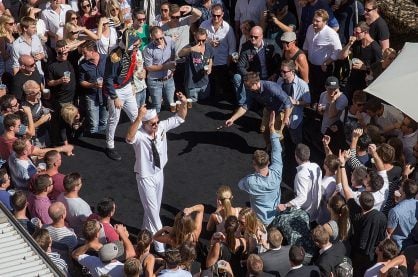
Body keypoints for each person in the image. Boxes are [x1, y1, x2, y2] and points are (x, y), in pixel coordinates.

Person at [125, 92, 188, 253]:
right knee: (154, 215)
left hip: (159, 173)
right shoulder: (139, 136)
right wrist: (139, 117)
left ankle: (143, 235)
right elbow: (129, 137)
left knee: (153, 209)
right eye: (152, 123)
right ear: (145, 124)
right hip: (145, 177)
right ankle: (162, 249)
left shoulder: (160, 128)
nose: (156, 125)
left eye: (157, 122)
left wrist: (183, 102)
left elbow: (180, 117)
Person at [338, 150, 387, 276]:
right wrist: (375, 153)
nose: (365, 176)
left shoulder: (357, 200)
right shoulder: (384, 189)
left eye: (366, 178)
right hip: (372, 247)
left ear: (368, 186)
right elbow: (382, 170)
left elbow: (344, 188)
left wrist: (342, 165)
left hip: (358, 248)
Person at [238, 111, 284, 225]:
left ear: (254, 164)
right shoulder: (277, 172)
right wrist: (272, 128)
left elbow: (240, 185)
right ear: (268, 162)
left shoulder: (250, 181)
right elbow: (277, 151)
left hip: (260, 221)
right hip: (275, 216)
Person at [226, 72, 292, 145]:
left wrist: (286, 117)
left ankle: (280, 152)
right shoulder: (251, 90)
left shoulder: (270, 87)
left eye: (248, 86)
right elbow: (245, 106)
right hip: (269, 109)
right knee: (263, 130)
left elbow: (287, 101)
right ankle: (269, 148)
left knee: (276, 134)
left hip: (282, 110)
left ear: (256, 83)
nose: (247, 88)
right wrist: (232, 119)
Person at [104, 30, 141, 161]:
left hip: (126, 88)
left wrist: (131, 83)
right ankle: (110, 146)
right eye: (135, 45)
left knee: (136, 116)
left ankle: (137, 137)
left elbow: (129, 70)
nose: (138, 47)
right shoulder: (115, 57)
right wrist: (115, 97)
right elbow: (108, 79)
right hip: (116, 91)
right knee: (114, 119)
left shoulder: (132, 53)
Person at [234, 26, 281, 106]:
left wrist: (275, 74)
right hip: (254, 76)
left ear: (262, 36)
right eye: (251, 36)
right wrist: (250, 76)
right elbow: (240, 65)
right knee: (237, 77)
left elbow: (280, 62)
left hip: (270, 76)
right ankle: (244, 103)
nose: (252, 39)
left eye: (255, 37)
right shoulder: (246, 46)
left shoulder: (272, 44)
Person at [303, 9, 342, 103]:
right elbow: (306, 44)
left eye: (318, 21)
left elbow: (338, 51)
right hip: (310, 65)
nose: (314, 23)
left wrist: (326, 63)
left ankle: (321, 108)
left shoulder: (331, 34)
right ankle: (312, 104)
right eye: (314, 20)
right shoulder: (310, 28)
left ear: (325, 22)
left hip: (323, 68)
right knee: (311, 86)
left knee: (322, 90)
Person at [161, 4, 202, 91]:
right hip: (172, 61)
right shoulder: (163, 28)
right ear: (169, 15)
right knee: (174, 86)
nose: (176, 19)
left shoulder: (185, 21)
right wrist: (170, 41)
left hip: (185, 59)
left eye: (178, 17)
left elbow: (199, 14)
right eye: (173, 17)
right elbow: (161, 46)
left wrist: (191, 8)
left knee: (186, 85)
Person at [278, 143, 322, 223]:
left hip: (307, 213)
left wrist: (285, 205)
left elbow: (302, 198)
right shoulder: (316, 166)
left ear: (296, 157)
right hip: (316, 209)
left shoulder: (301, 175)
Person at [200, 4, 236, 98]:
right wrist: (208, 42)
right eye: (213, 15)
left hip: (222, 62)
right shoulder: (204, 25)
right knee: (208, 90)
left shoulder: (228, 28)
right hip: (207, 61)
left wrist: (228, 63)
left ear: (223, 14)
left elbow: (232, 47)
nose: (216, 17)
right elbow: (197, 40)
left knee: (222, 90)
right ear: (211, 14)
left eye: (218, 15)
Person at [340, 21, 382, 95]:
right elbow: (342, 56)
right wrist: (349, 44)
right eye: (354, 32)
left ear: (365, 32)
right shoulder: (357, 42)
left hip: (366, 82)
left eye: (357, 33)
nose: (355, 35)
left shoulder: (375, 47)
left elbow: (379, 67)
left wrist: (365, 67)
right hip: (353, 79)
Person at [46, 40, 76, 145]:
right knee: (62, 123)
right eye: (60, 53)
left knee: (70, 121)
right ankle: (65, 144)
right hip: (62, 100)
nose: (63, 55)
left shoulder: (70, 58)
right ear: (56, 51)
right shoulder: (52, 65)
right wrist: (59, 81)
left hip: (73, 98)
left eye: (65, 52)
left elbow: (86, 40)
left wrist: (69, 47)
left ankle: (69, 139)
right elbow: (49, 83)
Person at [276, 59, 310, 144]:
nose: (282, 73)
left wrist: (296, 102)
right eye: (281, 71)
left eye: (284, 71)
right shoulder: (280, 81)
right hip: (280, 114)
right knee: (280, 138)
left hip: (294, 117)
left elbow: (308, 103)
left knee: (296, 140)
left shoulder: (302, 85)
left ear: (292, 71)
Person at [143, 26, 176, 113]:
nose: (160, 41)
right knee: (157, 107)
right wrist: (166, 66)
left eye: (161, 38)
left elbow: (173, 53)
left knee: (170, 103)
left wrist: (172, 67)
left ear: (163, 34)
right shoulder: (147, 49)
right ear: (152, 37)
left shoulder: (169, 40)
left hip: (169, 79)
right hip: (155, 81)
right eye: (156, 39)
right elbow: (149, 67)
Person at [79, 40, 108, 135]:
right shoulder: (83, 64)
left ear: (93, 51)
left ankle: (102, 141)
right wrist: (92, 85)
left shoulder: (106, 59)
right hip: (91, 96)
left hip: (105, 95)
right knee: (94, 124)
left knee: (104, 121)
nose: (83, 55)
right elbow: (81, 81)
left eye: (85, 52)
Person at [178, 27, 214, 102]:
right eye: (199, 40)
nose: (201, 43)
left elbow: (211, 58)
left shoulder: (208, 47)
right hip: (192, 85)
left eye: (203, 40)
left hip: (205, 84)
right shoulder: (190, 47)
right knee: (194, 107)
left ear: (206, 38)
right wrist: (191, 49)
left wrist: (210, 66)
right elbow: (180, 54)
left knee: (205, 103)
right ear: (194, 37)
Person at [56, 172, 92, 238]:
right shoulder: (82, 206)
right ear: (75, 188)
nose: (81, 184)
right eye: (80, 183)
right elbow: (90, 225)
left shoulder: (60, 196)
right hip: (81, 236)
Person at [387, 179, 418, 250]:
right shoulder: (416, 204)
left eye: (401, 186)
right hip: (410, 244)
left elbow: (389, 231)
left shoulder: (395, 211)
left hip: (396, 246)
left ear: (403, 192)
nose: (399, 187)